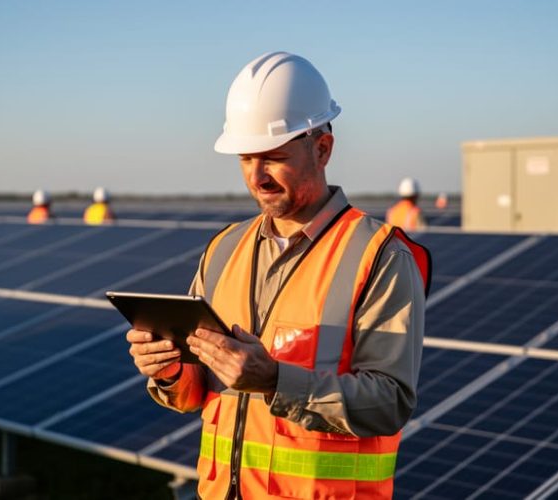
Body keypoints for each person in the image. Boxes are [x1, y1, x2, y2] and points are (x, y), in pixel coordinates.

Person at [126, 51, 431, 499]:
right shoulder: (224, 249)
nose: (256, 176)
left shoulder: (379, 255)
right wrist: (169, 370)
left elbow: (390, 403)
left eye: (273, 157)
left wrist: (274, 380)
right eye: (245, 158)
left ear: (322, 149)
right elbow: (199, 393)